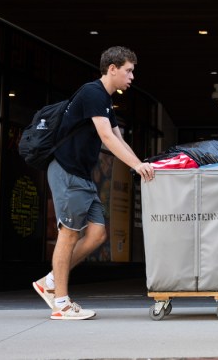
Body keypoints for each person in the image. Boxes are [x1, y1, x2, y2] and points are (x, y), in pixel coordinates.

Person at [32, 46, 155, 320]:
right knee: (69, 233)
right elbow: (107, 138)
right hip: (67, 171)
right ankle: (61, 304)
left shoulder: (106, 101)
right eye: (129, 70)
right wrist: (136, 166)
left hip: (82, 176)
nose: (132, 76)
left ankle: (50, 281)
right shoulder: (92, 93)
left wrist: (142, 165)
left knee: (98, 234)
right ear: (112, 69)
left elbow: (118, 139)